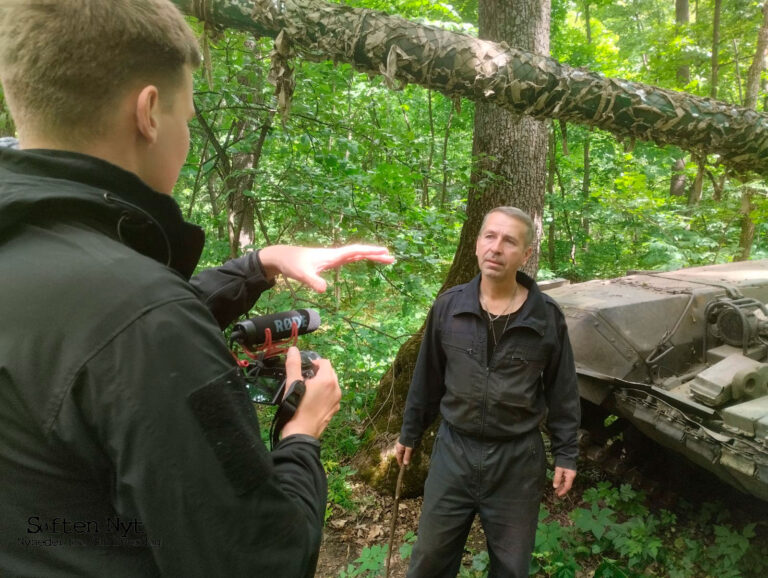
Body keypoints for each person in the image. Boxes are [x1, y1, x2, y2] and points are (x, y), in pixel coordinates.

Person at [0, 1, 393, 576]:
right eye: (186, 115)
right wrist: (302, 437)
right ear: (150, 113)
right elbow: (262, 561)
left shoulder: (32, 246)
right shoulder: (145, 321)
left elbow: (79, 333)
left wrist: (260, 264)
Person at [394, 207, 580, 577]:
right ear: (477, 244)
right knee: (429, 559)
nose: (496, 248)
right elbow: (426, 378)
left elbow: (562, 390)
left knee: (511, 567)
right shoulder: (449, 307)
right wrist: (410, 432)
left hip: (516, 460)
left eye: (509, 241)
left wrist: (567, 454)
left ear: (525, 255)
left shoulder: (546, 317)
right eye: (489, 236)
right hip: (453, 452)